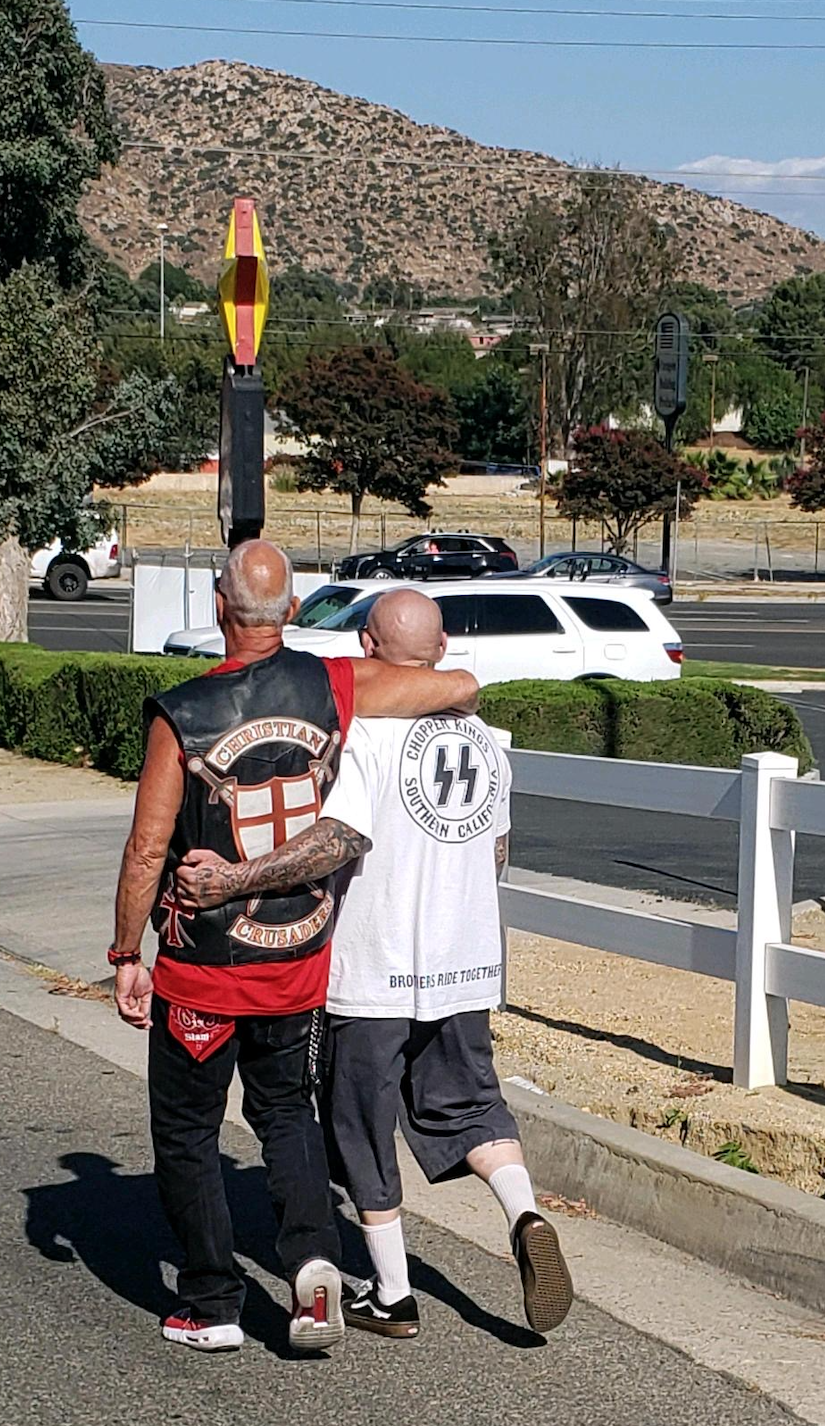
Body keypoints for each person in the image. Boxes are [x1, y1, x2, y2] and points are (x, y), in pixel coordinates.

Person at [176, 589, 573, 1341]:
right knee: (470, 1104)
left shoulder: (368, 736)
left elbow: (338, 840)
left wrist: (234, 881)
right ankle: (525, 1212)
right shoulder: (487, 741)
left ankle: (392, 1294)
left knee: (361, 1123)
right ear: (444, 646)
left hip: (377, 963)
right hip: (465, 962)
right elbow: (495, 852)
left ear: (366, 646)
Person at [111, 545, 479, 1356]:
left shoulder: (180, 712)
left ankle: (211, 1301)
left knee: (188, 1131)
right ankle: (314, 1266)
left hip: (204, 965)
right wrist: (444, 680)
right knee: (287, 1116)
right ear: (295, 609)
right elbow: (455, 686)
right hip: (297, 957)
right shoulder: (331, 686)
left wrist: (125, 954)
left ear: (217, 607)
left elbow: (147, 849)